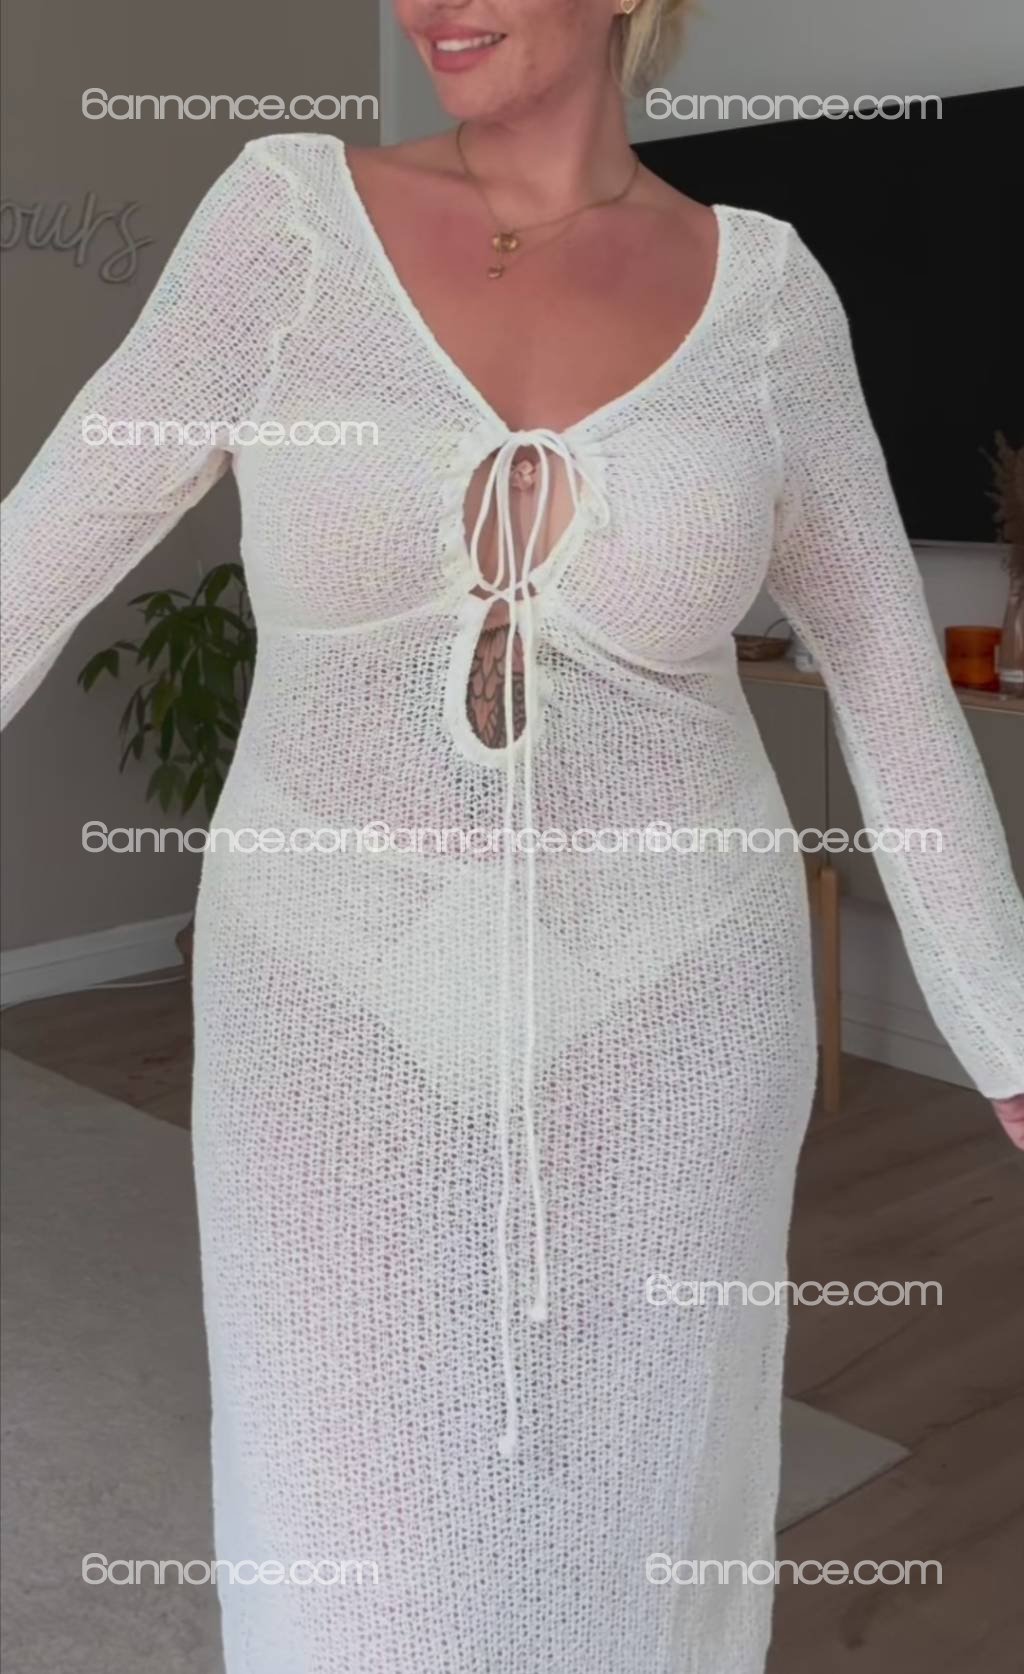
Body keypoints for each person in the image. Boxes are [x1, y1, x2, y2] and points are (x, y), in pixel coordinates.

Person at [3, 2, 1023, 1669]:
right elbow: (40, 547)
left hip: (675, 1005)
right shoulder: (287, 221)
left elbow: (895, 683)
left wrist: (1006, 1018)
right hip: (327, 996)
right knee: (341, 1529)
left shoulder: (769, 297)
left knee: (643, 1516)